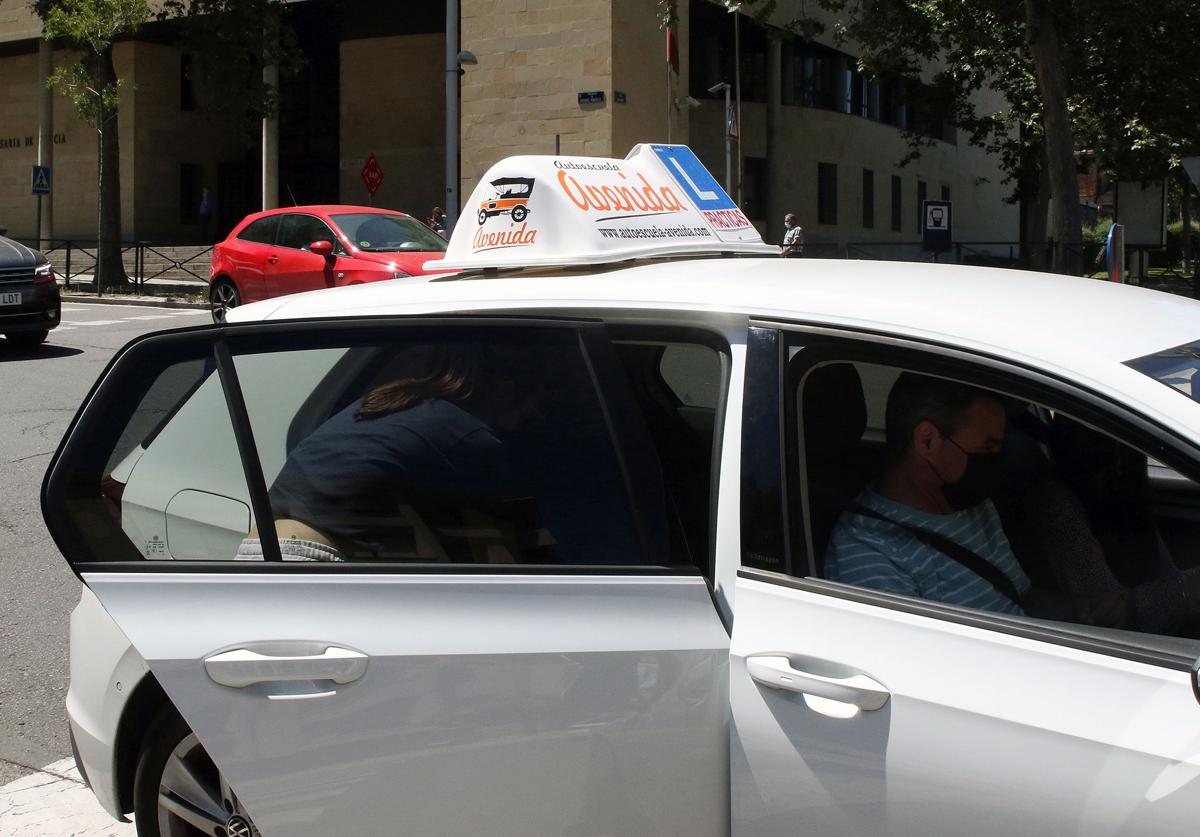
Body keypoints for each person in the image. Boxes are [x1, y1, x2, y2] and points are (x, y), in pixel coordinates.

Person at [243, 342, 542, 562]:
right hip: (313, 564)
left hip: (258, 553)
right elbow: (498, 558)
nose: (532, 417)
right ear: (505, 390)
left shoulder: (387, 402)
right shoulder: (468, 437)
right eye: (534, 405)